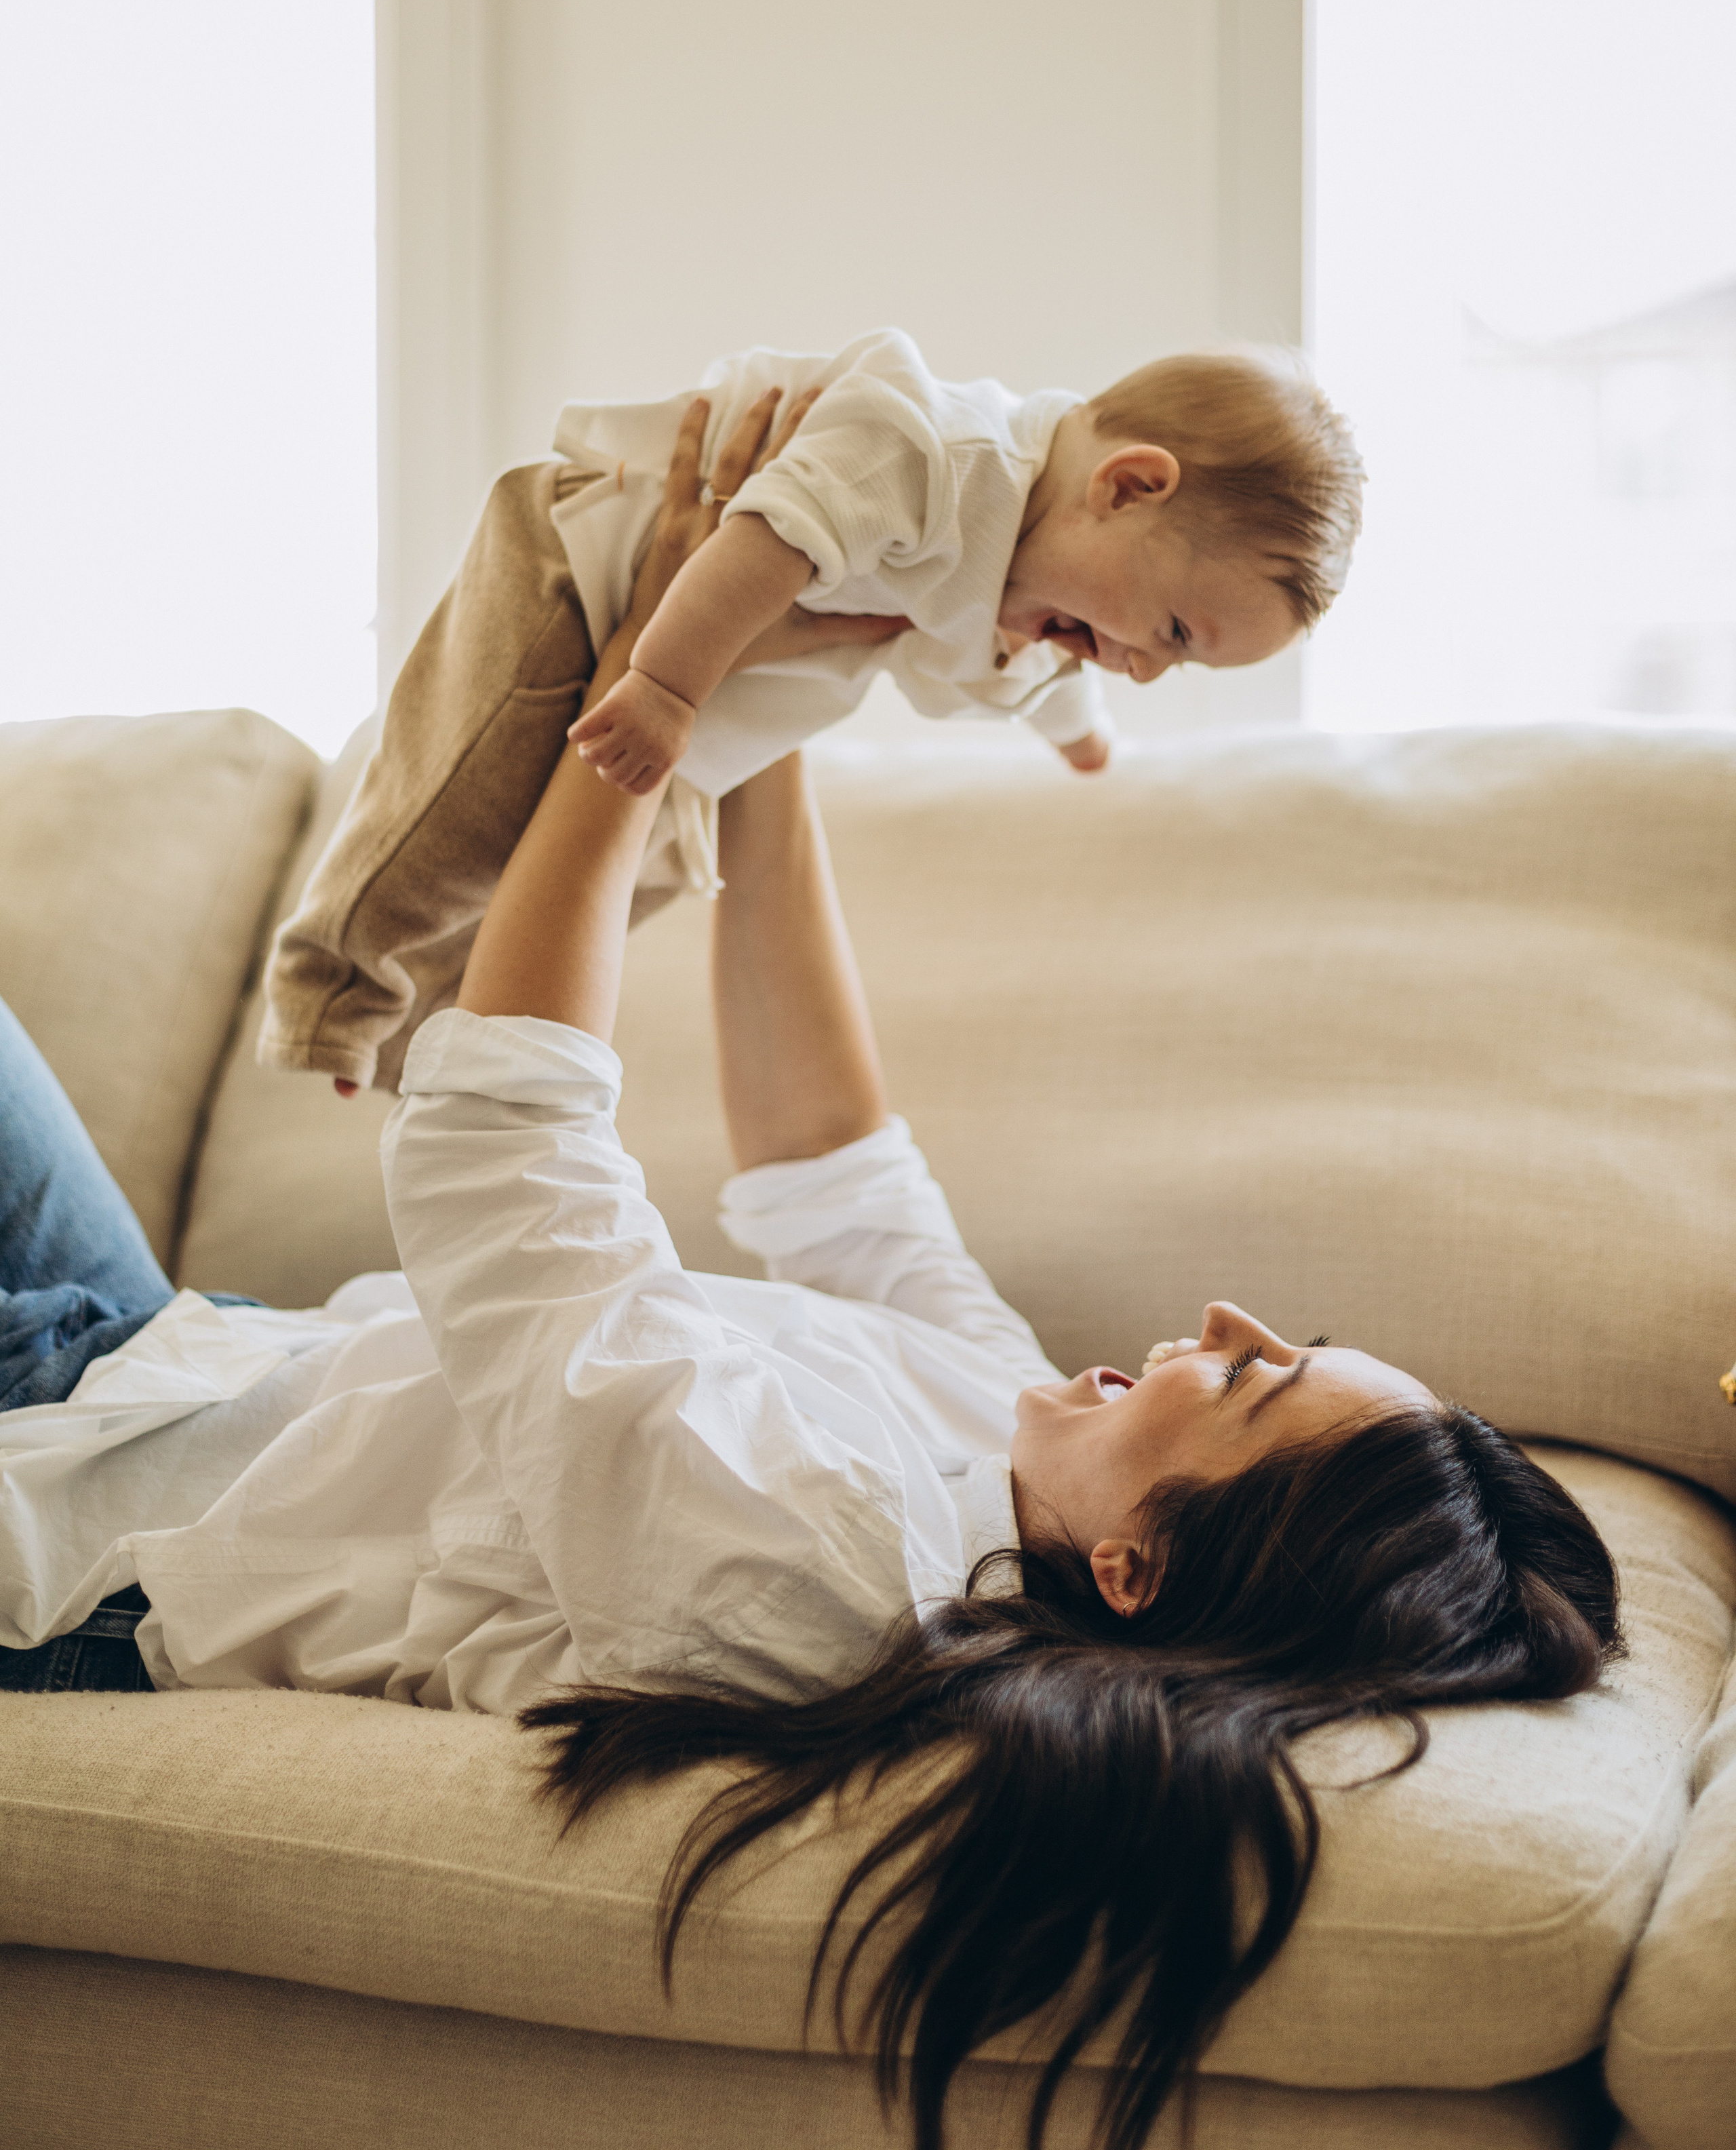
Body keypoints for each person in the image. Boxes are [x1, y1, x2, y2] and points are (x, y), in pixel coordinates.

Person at [0, 402, 1613, 2150]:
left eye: (1246, 1385)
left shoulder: (814, 1582)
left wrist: (643, 707)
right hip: (164, 1350)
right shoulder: (1002, 1434)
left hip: (83, 1520)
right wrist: (763, 712)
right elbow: (837, 1170)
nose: (1223, 1324)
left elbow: (504, 1165)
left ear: (1142, 1569)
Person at [258, 327, 1364, 1093]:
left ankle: (426, 1051)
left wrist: (1084, 745)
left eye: (1182, 668)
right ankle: (331, 986)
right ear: (1126, 487)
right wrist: (661, 686)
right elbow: (760, 542)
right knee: (460, 798)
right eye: (1173, 634)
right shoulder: (933, 451)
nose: (1144, 670)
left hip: (707, 685)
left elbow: (1056, 679)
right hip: (586, 569)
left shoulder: (1044, 598)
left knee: (653, 870)